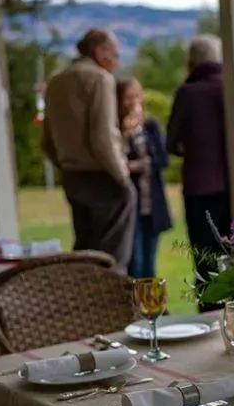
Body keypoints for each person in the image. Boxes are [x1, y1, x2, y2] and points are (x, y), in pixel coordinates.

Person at [41, 29, 135, 273]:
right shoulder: (99, 78)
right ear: (99, 51)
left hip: (72, 176)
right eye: (114, 54)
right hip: (102, 175)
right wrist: (122, 177)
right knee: (112, 259)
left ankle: (85, 308)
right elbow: (102, 136)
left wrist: (66, 166)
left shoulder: (56, 81)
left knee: (84, 254)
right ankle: (112, 309)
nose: (117, 61)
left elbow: (47, 140)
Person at [166, 35, 230, 312]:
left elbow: (171, 142)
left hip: (198, 189)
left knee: (205, 259)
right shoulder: (229, 88)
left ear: (191, 61)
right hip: (231, 187)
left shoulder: (187, 92)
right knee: (232, 256)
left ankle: (208, 318)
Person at [117, 78, 172, 279]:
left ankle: (153, 306)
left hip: (152, 205)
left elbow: (162, 159)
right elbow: (118, 162)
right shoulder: (117, 130)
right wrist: (126, 133)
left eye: (136, 96)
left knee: (150, 264)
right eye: (127, 98)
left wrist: (138, 165)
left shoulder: (151, 126)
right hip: (131, 207)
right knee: (136, 264)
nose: (133, 102)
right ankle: (137, 307)